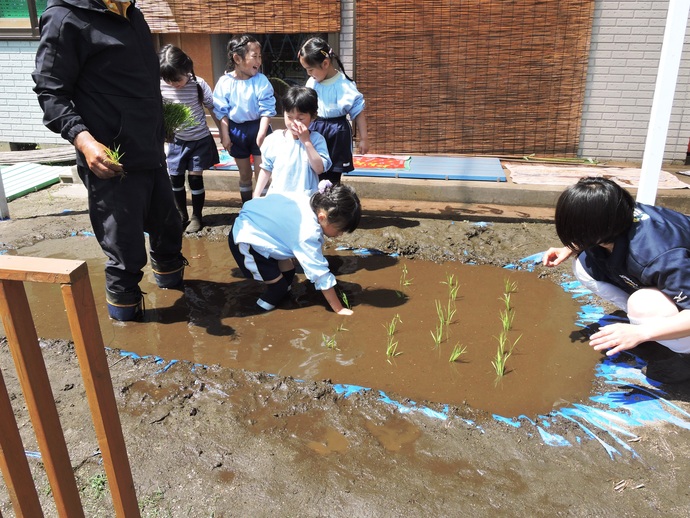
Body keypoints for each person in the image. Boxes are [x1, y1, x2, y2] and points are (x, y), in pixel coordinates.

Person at [32, 0, 186, 322]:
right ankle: (126, 323)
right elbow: (51, 93)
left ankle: (177, 292)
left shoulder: (132, 13)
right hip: (111, 160)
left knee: (169, 228)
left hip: (151, 150)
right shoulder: (66, 17)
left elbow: (138, 84)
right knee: (125, 251)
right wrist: (84, 141)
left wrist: (160, 121)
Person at [542, 176, 690, 383]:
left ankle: (682, 357)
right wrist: (571, 247)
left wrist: (642, 332)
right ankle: (648, 326)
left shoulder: (661, 255)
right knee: (586, 265)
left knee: (645, 305)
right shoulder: (616, 211)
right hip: (672, 274)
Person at [229, 180, 361, 314]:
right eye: (340, 230)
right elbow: (320, 274)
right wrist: (339, 309)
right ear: (322, 217)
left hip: (258, 225)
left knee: (289, 272)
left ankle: (280, 293)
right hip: (247, 240)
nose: (340, 235)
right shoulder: (308, 233)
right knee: (278, 288)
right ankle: (257, 312)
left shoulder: (310, 199)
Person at [160, 44, 221, 233]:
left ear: (187, 70)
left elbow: (214, 109)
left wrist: (224, 135)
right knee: (175, 179)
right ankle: (181, 214)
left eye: (177, 79)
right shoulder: (159, 86)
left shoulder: (198, 84)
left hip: (199, 139)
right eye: (169, 80)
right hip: (175, 141)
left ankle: (197, 216)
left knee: (195, 179)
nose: (174, 84)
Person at [213, 35, 276, 203]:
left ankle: (265, 208)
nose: (259, 61)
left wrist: (262, 133)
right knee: (245, 174)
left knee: (263, 172)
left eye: (260, 56)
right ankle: (247, 207)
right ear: (237, 58)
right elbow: (222, 112)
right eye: (254, 56)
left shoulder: (260, 80)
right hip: (237, 130)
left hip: (259, 126)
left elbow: (267, 109)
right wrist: (225, 135)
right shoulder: (224, 82)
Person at [298, 37, 369, 184]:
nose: (309, 74)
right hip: (316, 129)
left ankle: (334, 204)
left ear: (325, 63)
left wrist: (364, 139)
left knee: (334, 176)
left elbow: (358, 113)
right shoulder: (312, 83)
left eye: (310, 69)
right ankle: (316, 203)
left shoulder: (344, 84)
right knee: (315, 169)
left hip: (338, 132)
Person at [253, 86, 331, 198]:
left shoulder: (316, 140)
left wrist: (306, 141)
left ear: (313, 116)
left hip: (305, 200)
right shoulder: (274, 139)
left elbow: (319, 169)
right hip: (278, 198)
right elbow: (266, 169)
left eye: (300, 119)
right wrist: (256, 195)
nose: (294, 122)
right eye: (289, 117)